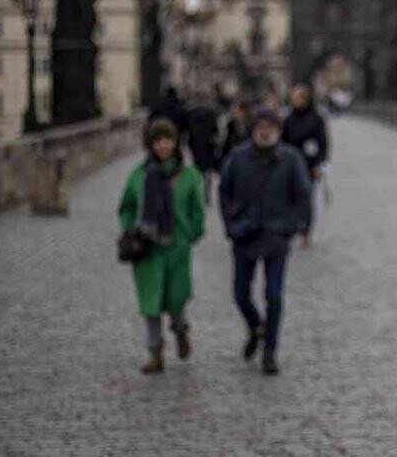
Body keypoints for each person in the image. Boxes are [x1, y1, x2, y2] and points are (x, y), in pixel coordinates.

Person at [218, 107, 311, 375]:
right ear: (254, 129)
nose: (266, 131)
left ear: (278, 130)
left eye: (271, 126)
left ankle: (270, 350)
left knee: (273, 295)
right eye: (261, 126)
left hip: (276, 235)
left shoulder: (290, 159)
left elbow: (303, 195)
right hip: (245, 234)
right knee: (240, 294)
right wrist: (230, 225)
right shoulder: (238, 157)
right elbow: (224, 191)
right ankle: (256, 327)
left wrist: (293, 227)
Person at [117, 118, 205, 374]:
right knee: (151, 302)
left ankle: (181, 329)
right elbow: (127, 207)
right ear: (150, 144)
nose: (163, 145)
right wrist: (129, 229)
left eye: (168, 139)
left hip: (177, 247)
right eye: (158, 141)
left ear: (175, 142)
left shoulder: (188, 175)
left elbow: (197, 210)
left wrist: (191, 234)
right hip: (147, 249)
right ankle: (155, 351)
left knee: (176, 298)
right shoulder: (139, 174)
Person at [281, 84, 328, 248]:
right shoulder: (287, 119)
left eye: (300, 97)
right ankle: (292, 227)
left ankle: (306, 233)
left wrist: (321, 166)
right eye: (294, 97)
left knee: (306, 199)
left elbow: (323, 144)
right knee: (290, 199)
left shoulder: (316, 119)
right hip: (290, 165)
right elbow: (282, 143)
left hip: (310, 165)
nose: (297, 101)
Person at [185, 95, 221, 202]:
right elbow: (216, 131)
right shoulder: (211, 113)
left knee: (196, 170)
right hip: (208, 146)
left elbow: (189, 131)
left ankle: (196, 192)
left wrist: (190, 145)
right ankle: (207, 192)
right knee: (208, 171)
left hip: (196, 145)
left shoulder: (192, 114)